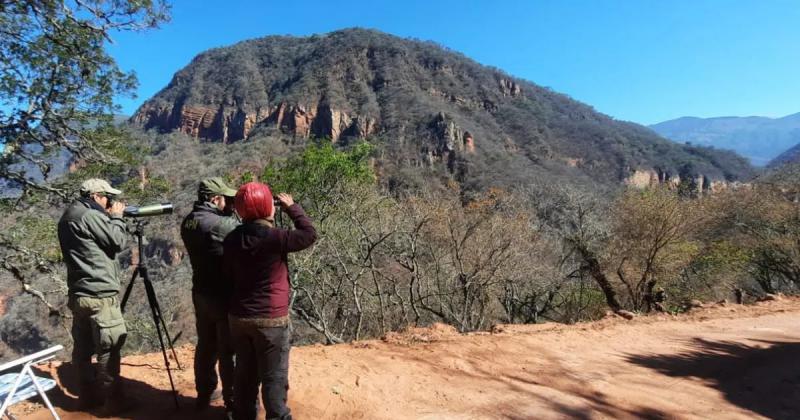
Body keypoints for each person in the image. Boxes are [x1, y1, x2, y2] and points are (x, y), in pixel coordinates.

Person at [223, 182, 317, 420]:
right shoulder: (276, 238)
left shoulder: (232, 239)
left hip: (239, 318)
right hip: (271, 320)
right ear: (268, 207)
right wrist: (292, 208)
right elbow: (309, 234)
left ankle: (244, 415)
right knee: (274, 376)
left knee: (245, 373)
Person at [57, 178, 130, 414]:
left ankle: (87, 397)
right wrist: (117, 217)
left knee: (83, 349)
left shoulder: (68, 215)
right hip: (100, 295)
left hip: (80, 294)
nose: (109, 202)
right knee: (108, 349)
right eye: (107, 197)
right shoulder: (89, 215)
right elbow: (117, 241)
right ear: (96, 196)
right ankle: (114, 402)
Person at [180, 177, 240, 415]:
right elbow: (246, 237)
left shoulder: (188, 222)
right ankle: (232, 402)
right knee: (228, 350)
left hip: (200, 292)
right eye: (227, 198)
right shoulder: (220, 225)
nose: (229, 202)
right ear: (215, 199)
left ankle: (204, 393)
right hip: (222, 295)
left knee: (206, 345)